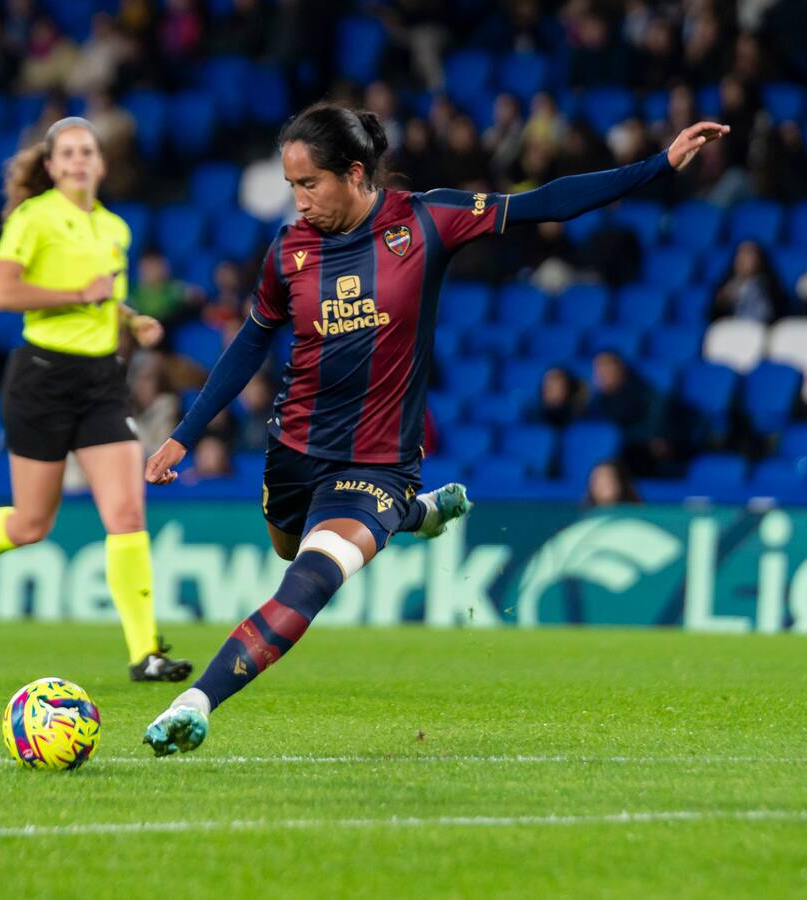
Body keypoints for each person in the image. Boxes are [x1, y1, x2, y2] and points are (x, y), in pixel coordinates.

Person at [140, 101, 728, 756]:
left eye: (310, 184)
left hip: (378, 462)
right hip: (294, 453)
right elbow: (252, 342)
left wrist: (659, 164)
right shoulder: (288, 251)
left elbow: (548, 203)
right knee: (287, 546)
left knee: (308, 578)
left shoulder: (424, 220)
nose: (299, 201)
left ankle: (194, 704)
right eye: (292, 186)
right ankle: (416, 515)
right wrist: (185, 433)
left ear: (356, 173)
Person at [0, 117, 192, 683]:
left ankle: (145, 653)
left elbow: (104, 299)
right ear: (50, 165)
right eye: (66, 153)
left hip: (101, 383)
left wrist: (131, 319)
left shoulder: (115, 228)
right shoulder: (32, 218)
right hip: (42, 378)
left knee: (127, 511)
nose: (78, 161)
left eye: (87, 151)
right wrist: (76, 296)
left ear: (101, 162)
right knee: (30, 524)